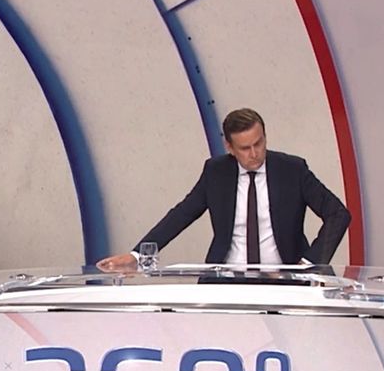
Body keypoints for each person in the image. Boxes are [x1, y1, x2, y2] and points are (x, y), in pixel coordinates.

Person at [97, 108, 351, 270]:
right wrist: (138, 255)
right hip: (227, 278)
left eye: (259, 143)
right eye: (245, 148)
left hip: (284, 279)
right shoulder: (216, 172)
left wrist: (309, 263)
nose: (254, 153)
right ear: (229, 147)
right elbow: (181, 215)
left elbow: (338, 214)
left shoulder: (292, 169)